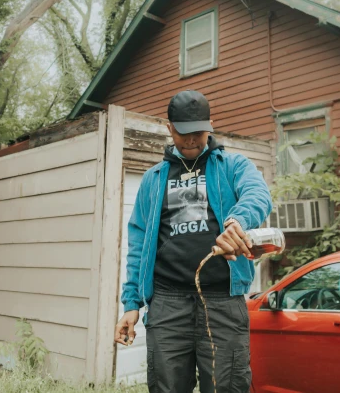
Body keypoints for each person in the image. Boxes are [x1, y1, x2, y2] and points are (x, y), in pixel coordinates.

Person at [114, 90, 272, 393]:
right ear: (169, 128)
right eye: (183, 133)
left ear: (210, 125)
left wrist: (237, 221)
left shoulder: (233, 165)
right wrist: (131, 304)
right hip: (167, 304)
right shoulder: (153, 179)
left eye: (198, 133)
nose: (191, 141)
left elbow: (258, 194)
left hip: (223, 303)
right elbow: (138, 246)